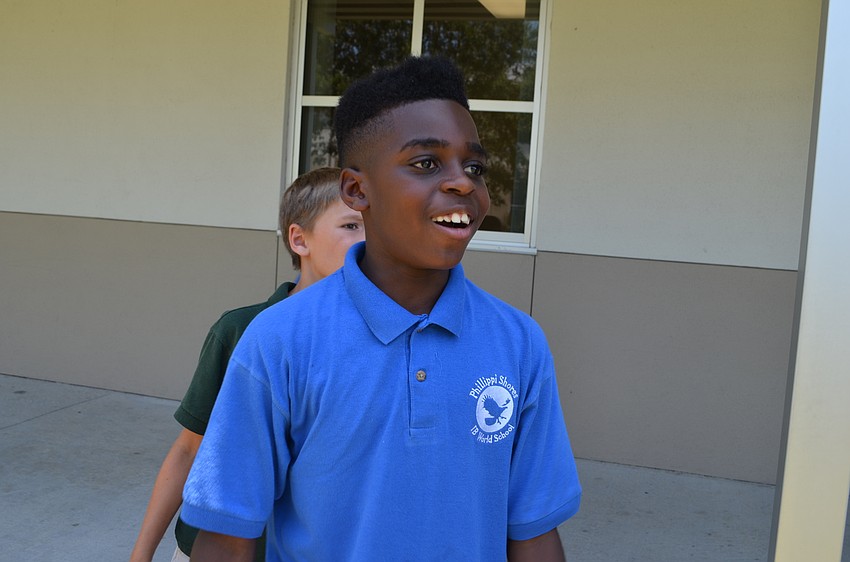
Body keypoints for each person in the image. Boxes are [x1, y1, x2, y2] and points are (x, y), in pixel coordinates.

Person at [181, 56, 582, 562]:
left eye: (474, 166)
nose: (463, 183)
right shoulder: (279, 339)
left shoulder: (518, 342)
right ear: (357, 190)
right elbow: (227, 537)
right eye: (426, 163)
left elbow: (534, 533)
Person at [130, 167, 364, 562]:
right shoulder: (240, 331)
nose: (367, 242)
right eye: (351, 225)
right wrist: (141, 554)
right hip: (214, 547)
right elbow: (189, 450)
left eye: (374, 226)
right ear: (299, 239)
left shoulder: (377, 343)